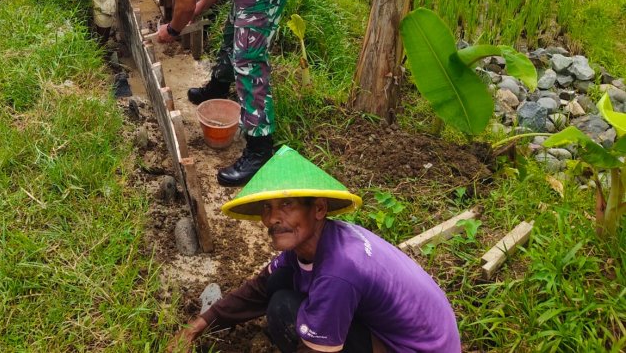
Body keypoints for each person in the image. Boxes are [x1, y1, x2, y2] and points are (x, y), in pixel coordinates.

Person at [168, 146, 463, 353]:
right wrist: (195, 328)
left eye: (287, 205)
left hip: (414, 348)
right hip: (394, 332)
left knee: (284, 310)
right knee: (277, 284)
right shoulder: (316, 244)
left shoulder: (341, 269)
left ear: (319, 208)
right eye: (267, 208)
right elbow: (257, 288)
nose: (272, 219)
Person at [124, 0, 292, 186]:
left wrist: (173, 30)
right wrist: (199, 6)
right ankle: (217, 86)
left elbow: (184, 5)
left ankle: (259, 148)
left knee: (248, 59)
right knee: (233, 34)